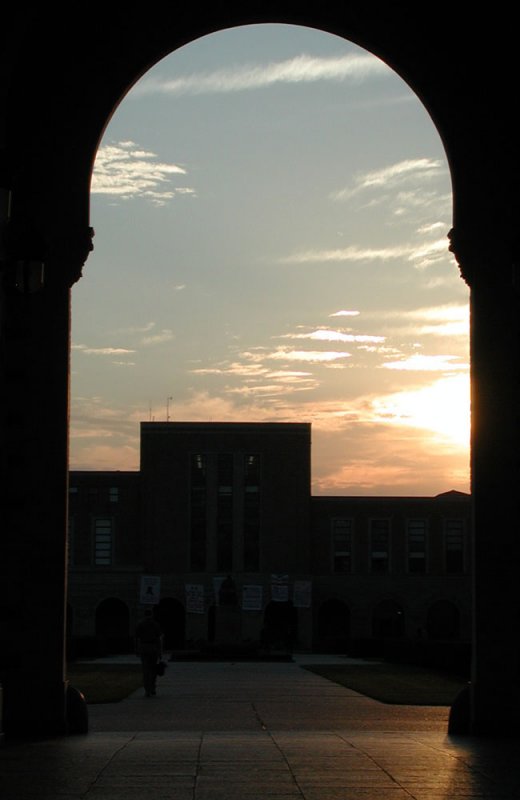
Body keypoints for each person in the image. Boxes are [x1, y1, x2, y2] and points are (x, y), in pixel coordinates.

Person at [135, 609, 163, 697]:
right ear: (151, 615)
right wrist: (159, 651)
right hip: (153, 647)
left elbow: (137, 638)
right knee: (153, 669)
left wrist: (137, 649)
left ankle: (147, 690)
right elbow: (159, 639)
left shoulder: (140, 624)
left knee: (145, 670)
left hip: (144, 647)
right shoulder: (155, 624)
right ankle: (153, 687)